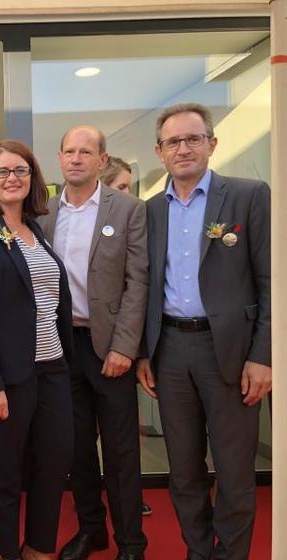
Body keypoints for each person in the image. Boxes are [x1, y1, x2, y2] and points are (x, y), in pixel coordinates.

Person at [137, 102, 271, 560]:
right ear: (159, 151)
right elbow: (145, 287)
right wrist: (143, 354)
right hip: (170, 350)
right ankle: (199, 552)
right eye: (173, 141)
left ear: (212, 144)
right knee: (184, 471)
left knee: (234, 470)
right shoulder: (150, 210)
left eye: (194, 138)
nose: (184, 148)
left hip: (231, 352)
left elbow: (272, 279)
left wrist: (264, 355)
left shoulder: (249, 196)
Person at [0, 139, 74, 560]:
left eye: (20, 170)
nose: (11, 178)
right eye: (2, 172)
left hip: (52, 367)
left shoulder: (35, 230)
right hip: (6, 375)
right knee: (4, 475)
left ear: (32, 178)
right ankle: (8, 552)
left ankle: (39, 550)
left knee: (54, 463)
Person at [39, 126, 148, 560]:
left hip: (110, 347)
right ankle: (91, 529)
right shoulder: (43, 211)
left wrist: (125, 346)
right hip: (61, 346)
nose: (77, 159)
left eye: (87, 151)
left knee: (121, 451)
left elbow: (138, 282)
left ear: (103, 159)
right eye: (69, 151)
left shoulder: (128, 210)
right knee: (77, 446)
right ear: (60, 158)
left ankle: (131, 543)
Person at [100, 155, 153, 518]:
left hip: (118, 344)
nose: (127, 196)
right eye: (120, 187)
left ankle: (129, 520)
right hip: (73, 347)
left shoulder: (133, 218)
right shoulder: (57, 215)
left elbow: (138, 284)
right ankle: (92, 517)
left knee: (121, 441)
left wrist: (127, 347)